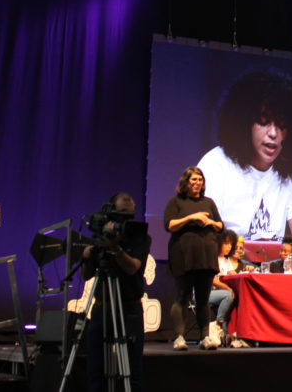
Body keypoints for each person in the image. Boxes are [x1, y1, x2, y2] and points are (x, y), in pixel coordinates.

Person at [197, 70, 292, 241]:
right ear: (245, 123)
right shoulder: (215, 165)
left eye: (281, 124)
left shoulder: (288, 173)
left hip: (271, 266)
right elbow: (203, 237)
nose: (273, 133)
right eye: (263, 121)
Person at [81, 192, 151, 392]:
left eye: (130, 215)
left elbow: (133, 268)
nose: (125, 220)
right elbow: (86, 276)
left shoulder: (140, 237)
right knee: (96, 370)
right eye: (121, 214)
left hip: (129, 310)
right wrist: (87, 256)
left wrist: (116, 249)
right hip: (102, 309)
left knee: (132, 370)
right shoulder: (100, 236)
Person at [164, 166, 223, 351]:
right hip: (183, 255)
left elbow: (220, 225)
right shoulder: (176, 202)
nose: (197, 183)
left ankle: (205, 337)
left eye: (200, 180)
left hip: (206, 256)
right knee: (181, 296)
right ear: (186, 182)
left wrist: (210, 222)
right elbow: (170, 225)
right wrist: (191, 218)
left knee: (203, 299)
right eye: (194, 180)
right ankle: (179, 337)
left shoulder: (209, 202)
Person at [208, 229, 238, 347]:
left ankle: (230, 333)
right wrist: (227, 287)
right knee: (229, 295)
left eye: (231, 244)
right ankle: (218, 324)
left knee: (234, 296)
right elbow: (211, 279)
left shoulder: (226, 260)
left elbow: (234, 275)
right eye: (226, 243)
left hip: (221, 294)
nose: (229, 247)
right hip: (207, 293)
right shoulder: (212, 258)